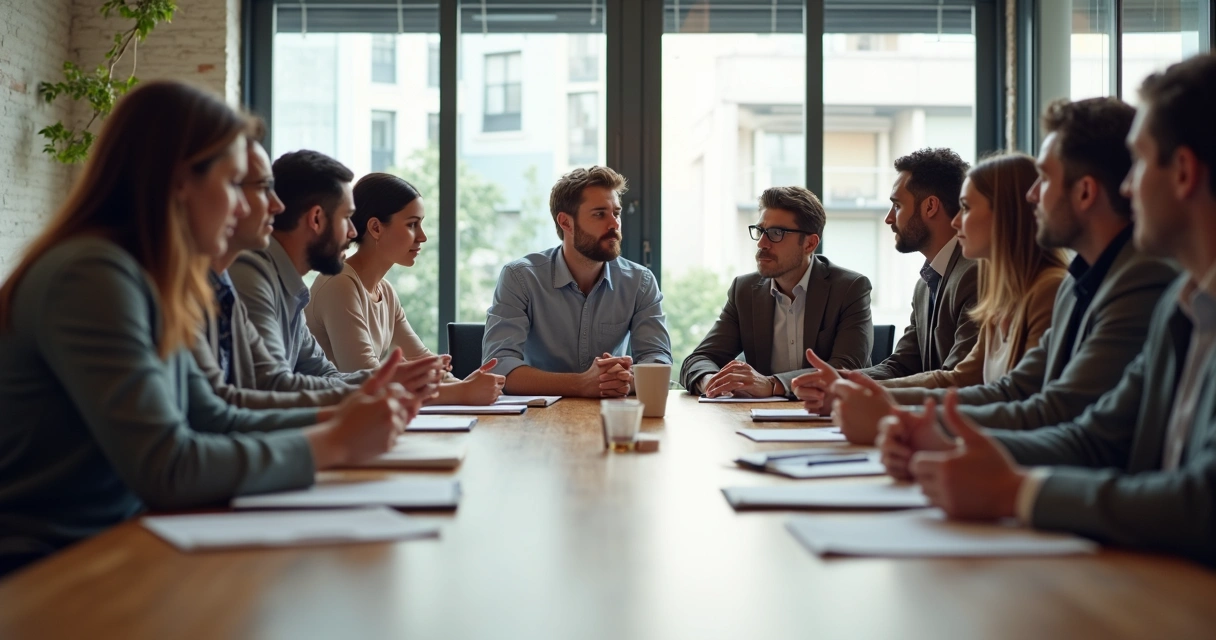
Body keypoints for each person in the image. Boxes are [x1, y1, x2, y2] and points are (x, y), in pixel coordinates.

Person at [0, 81, 422, 576]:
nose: (250, 208)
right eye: (234, 184)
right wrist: (336, 441)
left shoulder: (153, 277)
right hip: (47, 567)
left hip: (118, 544)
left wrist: (347, 414)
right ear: (180, 181)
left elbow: (212, 414)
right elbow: (166, 466)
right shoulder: (92, 275)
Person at [879, 54, 1216, 565]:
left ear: (1184, 172)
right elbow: (1092, 436)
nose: (1128, 186)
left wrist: (1014, 491)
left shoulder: (1146, 283)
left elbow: (1202, 501)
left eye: (1141, 162)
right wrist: (940, 436)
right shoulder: (1176, 300)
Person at [831, 98, 1176, 444]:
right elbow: (1011, 389)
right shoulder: (1072, 288)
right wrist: (883, 403)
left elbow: (1054, 412)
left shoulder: (1102, 286)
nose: (1032, 196)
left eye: (1044, 178)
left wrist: (905, 421)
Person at [194, 129, 438, 409]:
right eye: (347, 218)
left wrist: (384, 383)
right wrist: (382, 385)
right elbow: (270, 387)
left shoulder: (288, 287)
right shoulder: (250, 273)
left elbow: (323, 375)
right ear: (317, 219)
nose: (353, 232)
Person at [790, 148, 979, 413]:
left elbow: (959, 378)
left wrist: (856, 389)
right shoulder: (925, 284)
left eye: (897, 206)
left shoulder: (974, 274)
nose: (889, 218)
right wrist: (843, 380)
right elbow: (901, 365)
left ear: (930, 206)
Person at [306, 173, 505, 405]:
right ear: (376, 228)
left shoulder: (385, 291)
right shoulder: (339, 284)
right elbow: (367, 381)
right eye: (412, 224)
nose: (423, 237)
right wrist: (462, 392)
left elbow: (422, 360)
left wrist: (462, 384)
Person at [483, 166, 672, 398]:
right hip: (538, 415)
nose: (614, 224)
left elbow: (658, 361)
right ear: (566, 222)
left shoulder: (640, 282)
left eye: (616, 213)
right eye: (599, 214)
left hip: (611, 412)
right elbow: (499, 367)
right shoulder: (520, 278)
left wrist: (624, 381)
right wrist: (581, 384)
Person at [680, 186, 873, 397]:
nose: (762, 243)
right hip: (760, 415)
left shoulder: (849, 288)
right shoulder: (745, 291)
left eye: (776, 233)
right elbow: (697, 360)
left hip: (830, 413)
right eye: (760, 231)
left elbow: (845, 370)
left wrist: (773, 384)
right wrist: (712, 382)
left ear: (809, 244)